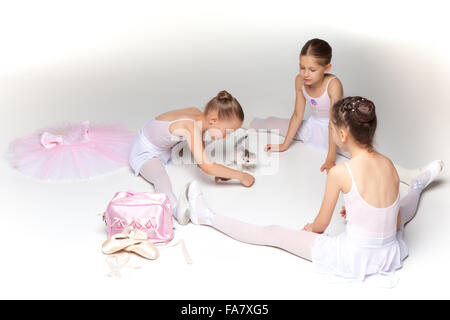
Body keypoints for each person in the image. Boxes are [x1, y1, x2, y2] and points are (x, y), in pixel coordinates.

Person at [184, 96, 444, 283]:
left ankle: (204, 215)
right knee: (402, 210)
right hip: (388, 251)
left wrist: (310, 230)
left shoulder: (340, 172)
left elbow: (320, 225)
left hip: (353, 256)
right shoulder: (388, 164)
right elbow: (393, 216)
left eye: (330, 129)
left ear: (342, 135)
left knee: (272, 233)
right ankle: (419, 182)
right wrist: (361, 215)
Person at [248, 38, 420, 183]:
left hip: (337, 133)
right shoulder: (299, 81)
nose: (306, 74)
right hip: (312, 126)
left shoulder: (333, 85)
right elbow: (298, 114)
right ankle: (241, 120)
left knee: (367, 156)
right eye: (302, 67)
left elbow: (334, 121)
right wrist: (285, 145)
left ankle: (410, 176)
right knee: (273, 122)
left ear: (327, 68)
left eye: (312, 69)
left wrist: (331, 157)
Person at [129, 90, 255, 224]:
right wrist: (241, 176)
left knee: (185, 155)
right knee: (160, 177)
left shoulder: (200, 116)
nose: (227, 137)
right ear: (213, 120)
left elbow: (201, 161)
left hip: (162, 147)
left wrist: (218, 171)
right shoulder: (191, 126)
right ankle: (175, 209)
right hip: (144, 151)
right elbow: (207, 166)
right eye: (227, 132)